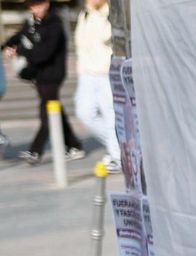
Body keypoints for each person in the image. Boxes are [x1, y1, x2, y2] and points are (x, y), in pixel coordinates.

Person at [2, 0, 85, 165]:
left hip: (52, 75)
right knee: (55, 110)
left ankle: (36, 151)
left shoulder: (55, 23)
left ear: (46, 4)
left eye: (37, 5)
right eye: (31, 6)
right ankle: (74, 146)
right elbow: (20, 36)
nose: (34, 9)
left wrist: (20, 50)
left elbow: (44, 53)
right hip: (39, 74)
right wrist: (7, 46)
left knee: (46, 112)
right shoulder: (33, 22)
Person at [74, 0, 119, 172]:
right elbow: (80, 42)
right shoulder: (84, 13)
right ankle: (121, 146)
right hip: (87, 72)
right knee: (84, 113)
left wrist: (98, 14)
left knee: (110, 114)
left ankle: (117, 155)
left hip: (106, 71)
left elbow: (106, 36)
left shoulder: (111, 13)